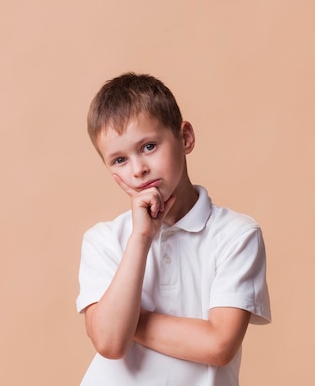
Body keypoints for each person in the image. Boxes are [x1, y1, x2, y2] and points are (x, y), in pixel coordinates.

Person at [76, 72, 271, 386]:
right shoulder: (104, 240)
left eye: (149, 146)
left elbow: (219, 345)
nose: (138, 169)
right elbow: (110, 343)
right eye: (119, 160)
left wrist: (127, 323)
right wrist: (141, 238)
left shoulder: (236, 235)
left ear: (185, 138)